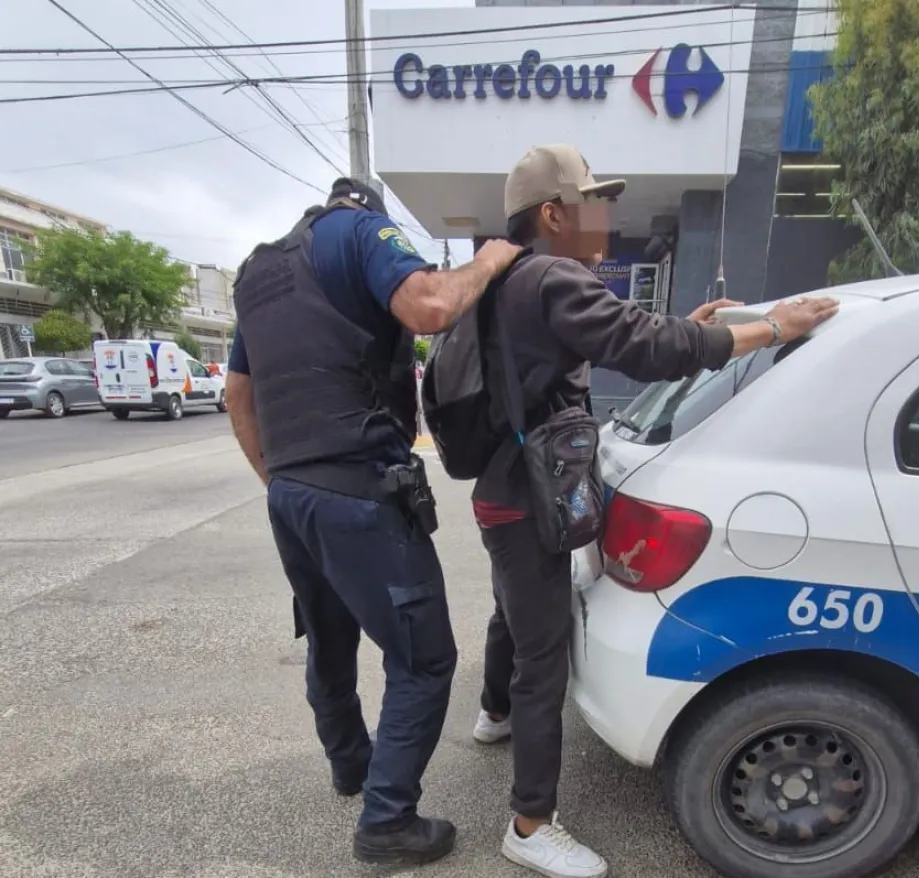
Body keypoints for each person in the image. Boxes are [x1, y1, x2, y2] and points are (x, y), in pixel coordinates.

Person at [469, 144, 839, 878]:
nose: (605, 214)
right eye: (593, 200)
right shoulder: (553, 276)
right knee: (543, 657)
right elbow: (646, 350)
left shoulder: (511, 280)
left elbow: (617, 338)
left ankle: (494, 714)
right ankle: (530, 824)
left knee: (515, 607)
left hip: (502, 487)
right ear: (553, 215)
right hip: (529, 494)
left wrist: (688, 325)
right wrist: (772, 328)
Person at [224, 177, 522, 868]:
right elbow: (430, 305)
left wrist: (280, 479)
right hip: (359, 489)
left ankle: (351, 765)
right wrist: (490, 259)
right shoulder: (360, 233)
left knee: (329, 639)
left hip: (291, 495)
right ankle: (387, 820)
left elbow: (238, 393)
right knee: (425, 658)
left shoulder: (260, 273)